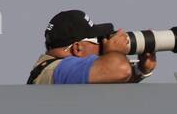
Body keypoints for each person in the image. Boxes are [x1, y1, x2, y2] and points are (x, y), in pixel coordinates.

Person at [27, 10, 157, 85]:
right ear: (78, 48)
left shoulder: (58, 72)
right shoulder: (61, 69)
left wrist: (140, 70)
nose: (104, 43)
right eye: (99, 40)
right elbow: (120, 70)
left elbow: (110, 77)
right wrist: (115, 51)